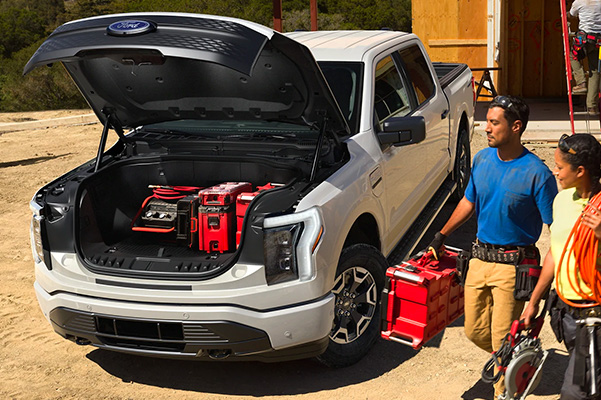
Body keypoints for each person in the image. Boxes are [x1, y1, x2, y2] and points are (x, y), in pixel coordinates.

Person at [428, 95, 558, 400]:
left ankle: (505, 393)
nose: (485, 128)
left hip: (514, 267)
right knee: (473, 330)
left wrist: (545, 284)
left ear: (515, 127)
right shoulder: (482, 159)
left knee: (501, 335)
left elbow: (557, 229)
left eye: (493, 122)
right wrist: (441, 234)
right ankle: (514, 359)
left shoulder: (537, 174)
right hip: (479, 259)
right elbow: (468, 202)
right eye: (486, 121)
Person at [522, 133, 601, 400]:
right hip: (566, 313)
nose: (555, 172)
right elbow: (556, 254)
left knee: (575, 392)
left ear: (580, 171)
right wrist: (534, 300)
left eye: (559, 167)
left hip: (594, 318)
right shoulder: (562, 200)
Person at [569, 0, 601, 114]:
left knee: (573, 57)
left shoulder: (579, 1)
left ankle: (581, 82)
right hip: (598, 41)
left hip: (584, 39)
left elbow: (572, 14)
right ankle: (592, 106)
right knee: (595, 71)